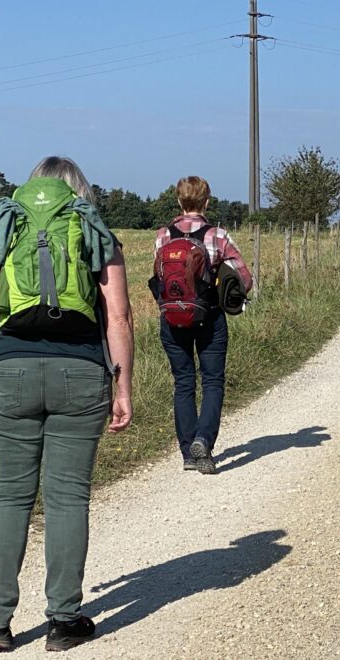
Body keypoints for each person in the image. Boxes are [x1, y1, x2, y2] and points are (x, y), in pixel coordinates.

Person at [0, 156, 134, 653]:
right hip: (81, 376)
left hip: (8, 373)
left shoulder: (3, 227)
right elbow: (119, 318)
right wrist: (123, 389)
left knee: (7, 496)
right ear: (78, 192)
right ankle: (63, 619)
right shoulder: (96, 231)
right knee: (67, 498)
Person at [153, 176, 252, 475]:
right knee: (212, 383)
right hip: (209, 317)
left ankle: (187, 453)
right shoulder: (218, 236)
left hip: (171, 319)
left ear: (179, 201)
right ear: (207, 202)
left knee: (183, 383)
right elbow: (245, 279)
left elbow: (159, 277)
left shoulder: (162, 236)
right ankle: (204, 441)